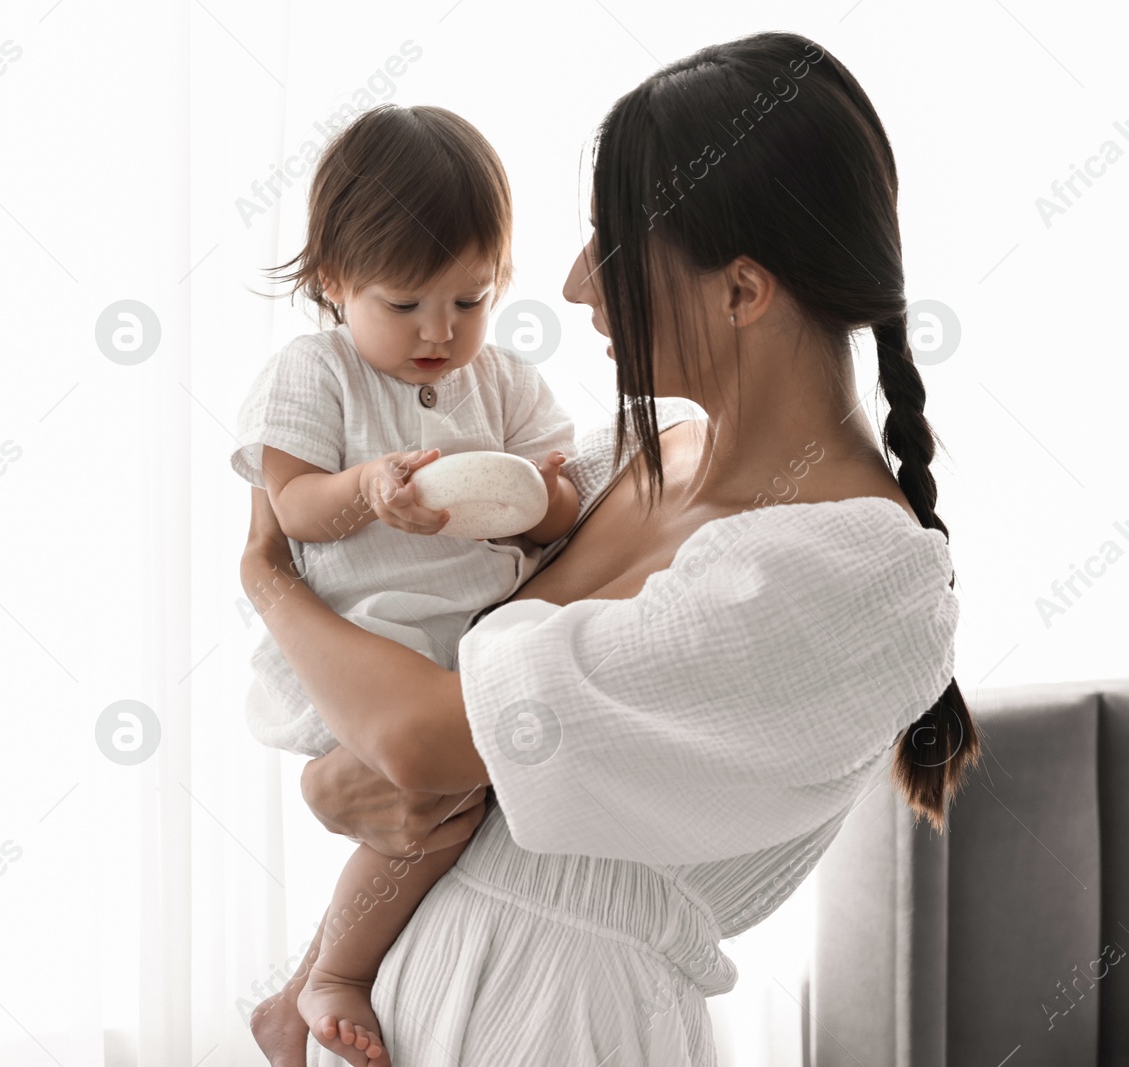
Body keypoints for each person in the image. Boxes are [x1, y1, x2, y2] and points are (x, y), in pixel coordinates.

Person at [240, 31, 981, 1066]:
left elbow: (419, 742)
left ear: (741, 290)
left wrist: (268, 578)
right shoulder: (625, 459)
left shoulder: (849, 574)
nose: (577, 282)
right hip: (413, 1001)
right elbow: (400, 739)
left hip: (561, 1026)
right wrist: (338, 771)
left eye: (611, 244)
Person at [233, 103, 580, 1064]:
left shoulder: (502, 383)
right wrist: (369, 490)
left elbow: (562, 500)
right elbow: (292, 507)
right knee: (440, 812)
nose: (440, 331)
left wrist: (538, 499)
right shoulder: (316, 372)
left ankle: (295, 993)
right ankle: (330, 977)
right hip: (366, 643)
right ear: (337, 282)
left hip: (467, 647)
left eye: (471, 302)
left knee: (463, 809)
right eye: (405, 304)